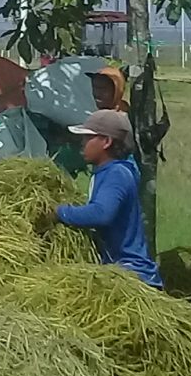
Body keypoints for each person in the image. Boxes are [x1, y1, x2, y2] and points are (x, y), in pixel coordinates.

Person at [55, 108, 161, 288]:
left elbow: (101, 213)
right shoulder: (109, 171)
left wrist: (60, 212)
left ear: (106, 142)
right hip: (117, 271)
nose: (82, 143)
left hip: (130, 273)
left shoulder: (116, 174)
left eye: (88, 138)